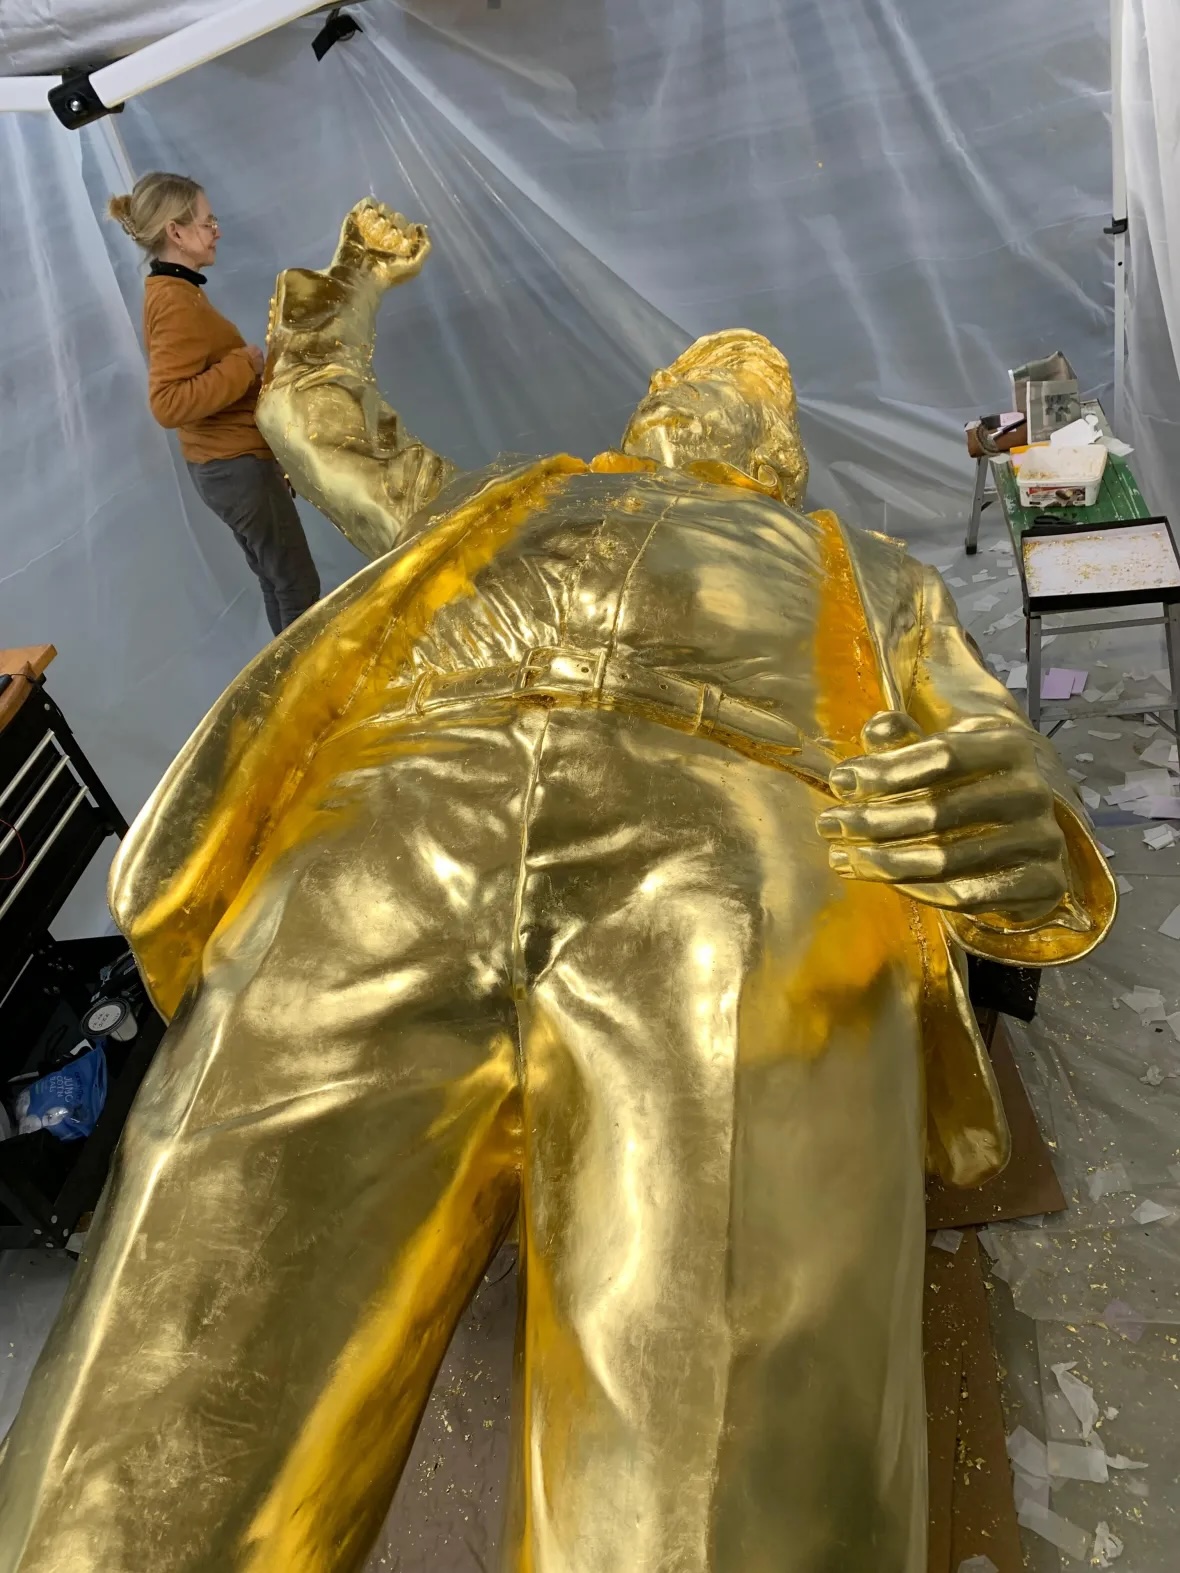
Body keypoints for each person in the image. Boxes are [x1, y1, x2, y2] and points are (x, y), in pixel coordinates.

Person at [0, 203, 1115, 1573]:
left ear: (780, 457)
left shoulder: (863, 571)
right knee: (172, 1355)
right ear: (643, 410)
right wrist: (348, 294)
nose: (710, 391)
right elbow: (315, 425)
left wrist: (1017, 820)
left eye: (749, 388)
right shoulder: (505, 499)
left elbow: (990, 741)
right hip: (385, 832)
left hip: (728, 875)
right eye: (690, 374)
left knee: (715, 1433)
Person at [108, 172, 320, 635]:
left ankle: (287, 679)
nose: (217, 231)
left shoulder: (176, 290)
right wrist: (244, 364)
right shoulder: (174, 301)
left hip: (226, 465)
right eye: (207, 222)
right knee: (297, 588)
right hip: (235, 467)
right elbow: (167, 403)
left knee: (278, 582)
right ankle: (309, 681)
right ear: (176, 232)